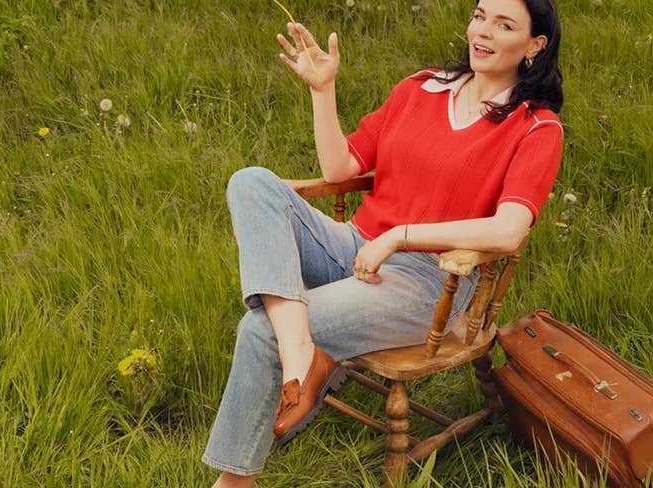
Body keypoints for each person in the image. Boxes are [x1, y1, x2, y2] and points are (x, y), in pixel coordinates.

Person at [202, 0, 563, 486]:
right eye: (480, 16)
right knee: (251, 181)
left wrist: (401, 237)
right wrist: (323, 90)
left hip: (424, 282)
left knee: (259, 329)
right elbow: (339, 170)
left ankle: (234, 480)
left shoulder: (535, 128)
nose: (484, 32)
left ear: (535, 45)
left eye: (504, 25)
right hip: (351, 246)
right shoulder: (422, 88)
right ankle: (301, 355)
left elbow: (508, 230)